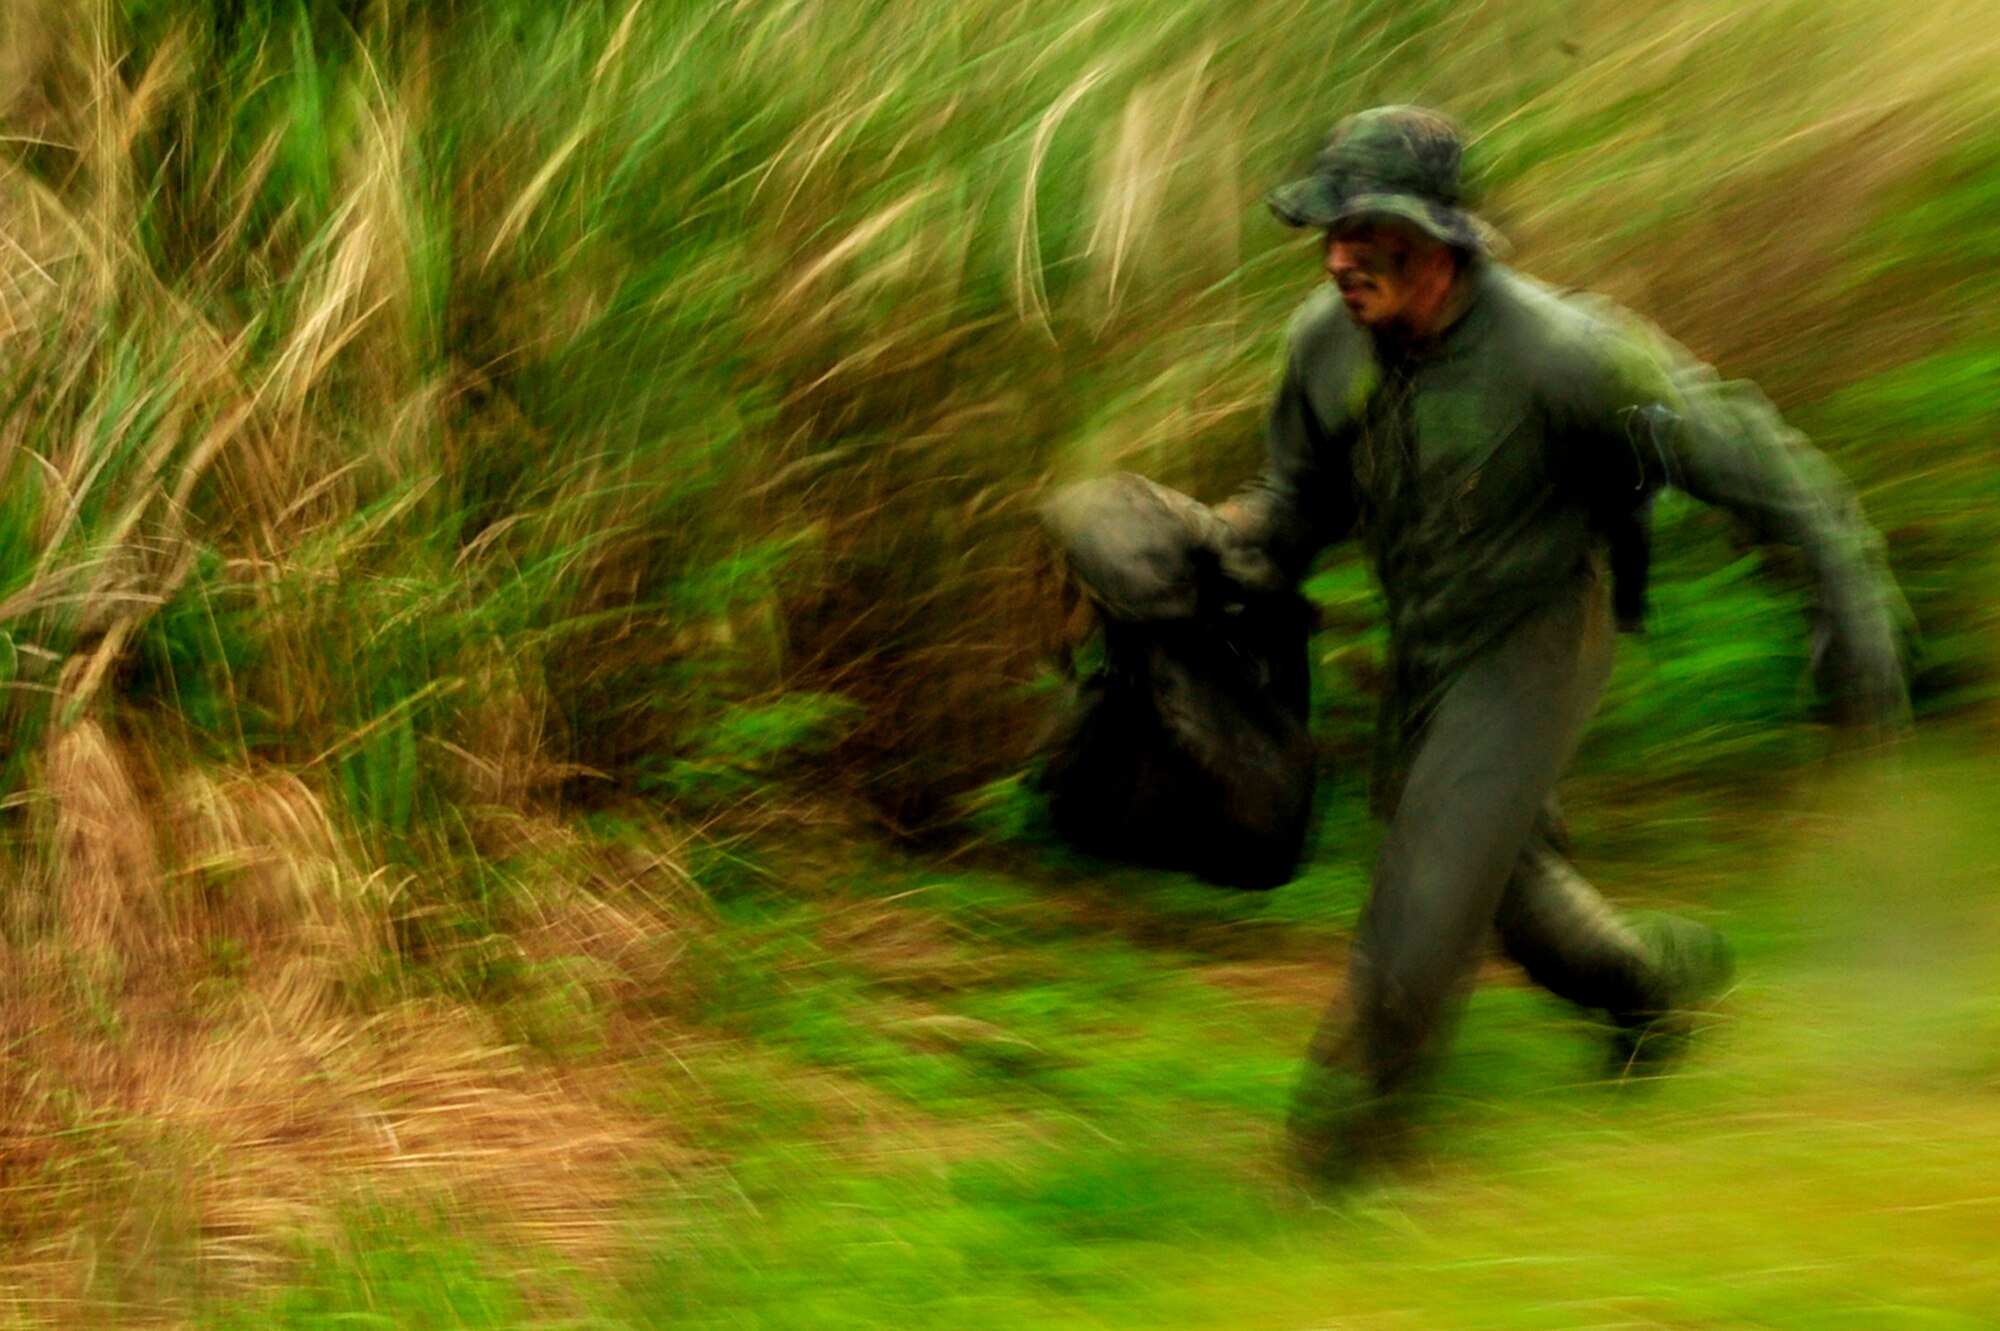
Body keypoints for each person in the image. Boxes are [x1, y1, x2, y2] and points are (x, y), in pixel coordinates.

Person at [1213, 106, 1910, 1176]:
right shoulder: (1320, 345)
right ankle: (1653, 990)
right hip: (1428, 639)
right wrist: (1207, 553)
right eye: (1330, 231)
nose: (1340, 255)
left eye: (1368, 231)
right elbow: (1295, 504)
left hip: (1540, 634)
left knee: (1431, 879)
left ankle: (1341, 1151)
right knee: (1506, 885)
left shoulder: (1564, 356)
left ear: (1442, 239)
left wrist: (1848, 607)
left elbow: (1751, 458)